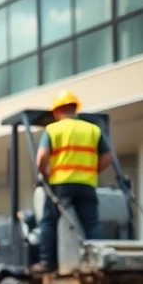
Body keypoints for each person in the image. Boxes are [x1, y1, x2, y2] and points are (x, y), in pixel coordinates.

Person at [34, 89, 113, 272]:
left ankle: (47, 263)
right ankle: (101, 262)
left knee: (49, 222)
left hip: (60, 185)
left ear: (56, 112)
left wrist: (45, 174)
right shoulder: (93, 129)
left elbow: (41, 158)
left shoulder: (53, 130)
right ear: (76, 109)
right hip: (86, 185)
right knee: (91, 224)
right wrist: (92, 171)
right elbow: (107, 157)